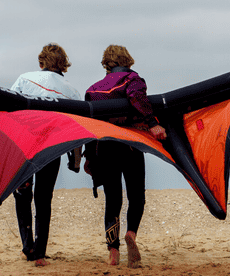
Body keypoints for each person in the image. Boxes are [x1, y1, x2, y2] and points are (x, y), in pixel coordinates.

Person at [83, 44, 166, 268]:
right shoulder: (132, 79)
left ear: (106, 64)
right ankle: (131, 233)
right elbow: (137, 98)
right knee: (136, 195)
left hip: (105, 148)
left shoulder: (93, 89)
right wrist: (152, 123)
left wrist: (89, 157)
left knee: (113, 200)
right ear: (127, 60)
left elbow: (90, 126)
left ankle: (113, 252)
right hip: (130, 146)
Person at [9, 43, 82, 267]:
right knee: (43, 198)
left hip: (24, 145)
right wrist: (76, 161)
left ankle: (27, 247)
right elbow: (78, 128)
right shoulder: (71, 91)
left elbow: (8, 111)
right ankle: (40, 254)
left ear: (41, 62)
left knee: (22, 194)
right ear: (63, 64)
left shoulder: (24, 79)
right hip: (52, 148)